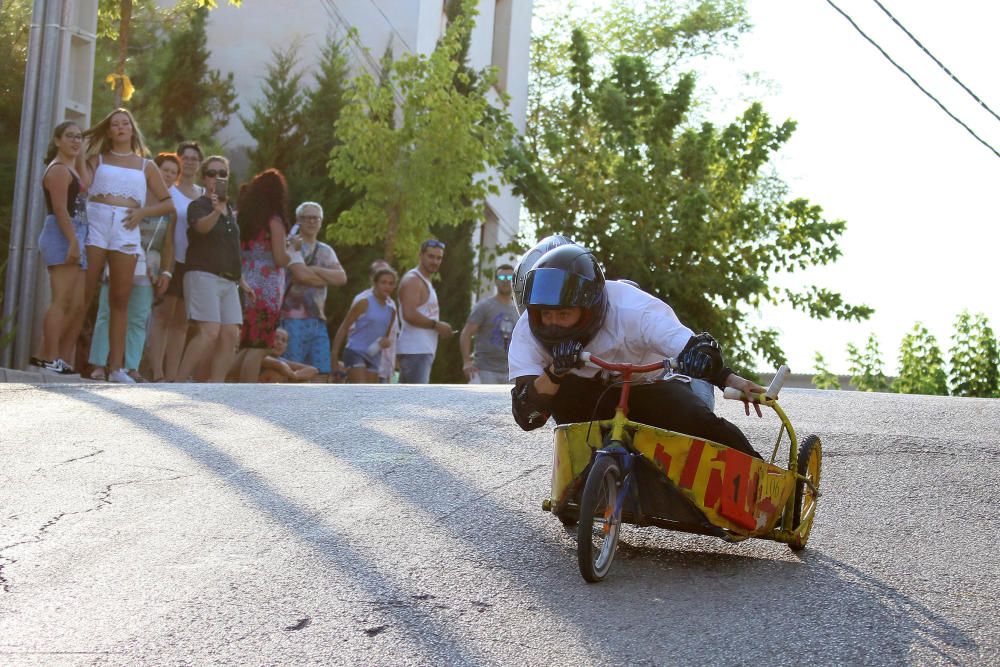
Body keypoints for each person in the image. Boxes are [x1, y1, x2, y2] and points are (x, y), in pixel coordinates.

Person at [508, 244, 765, 459]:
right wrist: (556, 372)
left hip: (650, 388)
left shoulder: (634, 310)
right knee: (563, 394)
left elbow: (695, 348)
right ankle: (581, 478)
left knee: (698, 422)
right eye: (546, 314)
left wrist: (727, 378)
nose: (552, 323)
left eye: (563, 314)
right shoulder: (527, 330)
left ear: (589, 307)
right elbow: (527, 416)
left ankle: (766, 484)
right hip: (588, 398)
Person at [80, 108, 174, 383]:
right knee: (84, 294)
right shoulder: (97, 159)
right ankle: (66, 358)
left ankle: (117, 368)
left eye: (126, 124)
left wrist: (143, 213)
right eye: (115, 124)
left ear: (132, 130)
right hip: (96, 221)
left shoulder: (146, 165)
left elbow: (168, 204)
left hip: (126, 227)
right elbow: (83, 183)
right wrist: (86, 147)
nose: (121, 128)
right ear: (109, 131)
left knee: (119, 299)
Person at [174, 155, 245, 383]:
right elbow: (201, 229)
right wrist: (216, 210)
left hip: (228, 279)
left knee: (230, 334)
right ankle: (179, 381)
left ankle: (216, 387)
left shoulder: (230, 210)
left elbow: (232, 246)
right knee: (209, 331)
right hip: (202, 274)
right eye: (212, 173)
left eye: (222, 173)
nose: (217, 177)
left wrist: (242, 280)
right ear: (204, 178)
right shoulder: (198, 205)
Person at [231, 169, 304, 383]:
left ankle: (226, 380)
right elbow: (280, 258)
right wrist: (293, 250)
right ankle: (248, 391)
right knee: (260, 345)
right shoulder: (274, 220)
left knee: (248, 343)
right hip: (268, 286)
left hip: (246, 281)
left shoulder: (242, 218)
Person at [34, 121, 91, 374]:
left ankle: (47, 354)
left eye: (79, 137)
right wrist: (73, 241)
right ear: (57, 140)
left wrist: (81, 157)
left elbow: (85, 184)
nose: (75, 141)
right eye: (70, 136)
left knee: (76, 304)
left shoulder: (71, 168)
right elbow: (59, 209)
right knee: (61, 300)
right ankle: (49, 358)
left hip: (76, 233)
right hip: (63, 234)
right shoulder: (57, 170)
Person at [147, 140, 204, 381]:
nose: (189, 161)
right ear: (178, 160)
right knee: (162, 316)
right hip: (171, 260)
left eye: (194, 158)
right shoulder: (168, 190)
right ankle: (157, 373)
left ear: (200, 164)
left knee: (181, 323)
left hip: (194, 263)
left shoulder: (203, 195)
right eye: (185, 157)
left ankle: (173, 377)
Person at [279, 201, 347, 382]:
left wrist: (316, 270)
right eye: (306, 217)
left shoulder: (326, 251)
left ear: (321, 221)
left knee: (320, 371)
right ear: (298, 220)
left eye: (315, 218)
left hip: (317, 319)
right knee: (293, 369)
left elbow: (341, 278)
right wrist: (324, 279)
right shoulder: (290, 245)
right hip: (292, 318)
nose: (311, 222)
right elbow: (301, 276)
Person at [396, 239, 453, 383]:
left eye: (438, 258)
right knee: (416, 402)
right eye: (431, 256)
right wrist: (437, 325)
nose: (435, 261)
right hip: (414, 351)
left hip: (421, 351)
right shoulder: (413, 280)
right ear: (420, 256)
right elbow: (408, 314)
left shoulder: (424, 280)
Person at [331, 266, 398, 383]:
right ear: (375, 283)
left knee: (369, 397)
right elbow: (344, 327)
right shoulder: (364, 303)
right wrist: (334, 357)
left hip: (373, 356)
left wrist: (385, 342)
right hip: (355, 351)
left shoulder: (391, 311)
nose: (387, 286)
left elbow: (384, 338)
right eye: (383, 282)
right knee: (361, 392)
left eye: (391, 283)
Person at [460, 264, 518, 384]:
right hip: (485, 370)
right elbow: (466, 333)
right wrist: (466, 362)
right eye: (502, 277)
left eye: (510, 277)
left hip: (511, 371)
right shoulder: (484, 306)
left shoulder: (519, 310)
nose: (506, 281)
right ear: (496, 281)